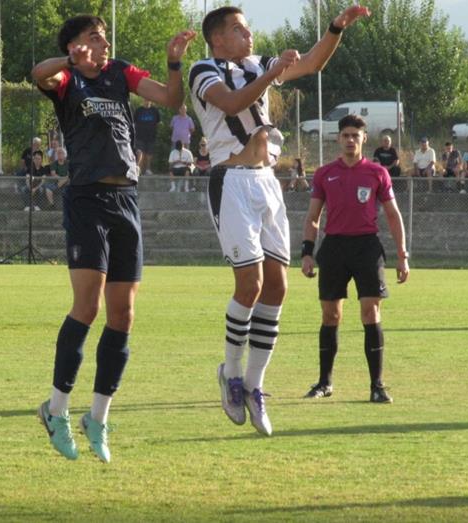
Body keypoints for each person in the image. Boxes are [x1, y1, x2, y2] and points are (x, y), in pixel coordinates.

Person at [189, 4, 369, 436]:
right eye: (238, 29)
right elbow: (232, 102)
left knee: (277, 286)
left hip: (266, 182)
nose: (248, 35)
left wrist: (336, 27)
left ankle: (254, 386)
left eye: (248, 28)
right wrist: (272, 74)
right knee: (249, 284)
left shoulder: (257, 64)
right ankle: (231, 374)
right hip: (231, 180)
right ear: (217, 39)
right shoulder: (203, 70)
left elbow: (312, 63)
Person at [32, 14, 194, 462]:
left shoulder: (120, 72)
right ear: (74, 45)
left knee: (124, 314)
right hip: (87, 198)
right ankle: (56, 410)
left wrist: (174, 62)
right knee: (88, 306)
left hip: (126, 200)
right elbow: (38, 73)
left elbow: (170, 98)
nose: (103, 44)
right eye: (94, 37)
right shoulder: (67, 79)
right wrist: (68, 60)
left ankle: (98, 418)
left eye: (104, 37)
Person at [301, 115, 409, 404]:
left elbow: (393, 215)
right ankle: (324, 383)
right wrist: (307, 253)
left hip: (366, 248)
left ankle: (377, 386)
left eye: (355, 135)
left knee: (370, 312)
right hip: (334, 248)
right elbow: (313, 217)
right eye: (346, 135)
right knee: (330, 315)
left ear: (364, 139)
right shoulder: (324, 174)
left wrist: (402, 255)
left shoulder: (377, 173)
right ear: (339, 138)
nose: (350, 140)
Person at [134, 99, 161, 175]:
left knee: (149, 154)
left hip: (151, 136)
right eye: (145, 100)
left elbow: (158, 123)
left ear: (151, 101)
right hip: (140, 136)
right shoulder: (138, 110)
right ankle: (139, 170)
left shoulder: (155, 111)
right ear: (143, 101)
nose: (146, 101)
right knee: (140, 153)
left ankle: (148, 169)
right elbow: (134, 122)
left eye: (148, 100)